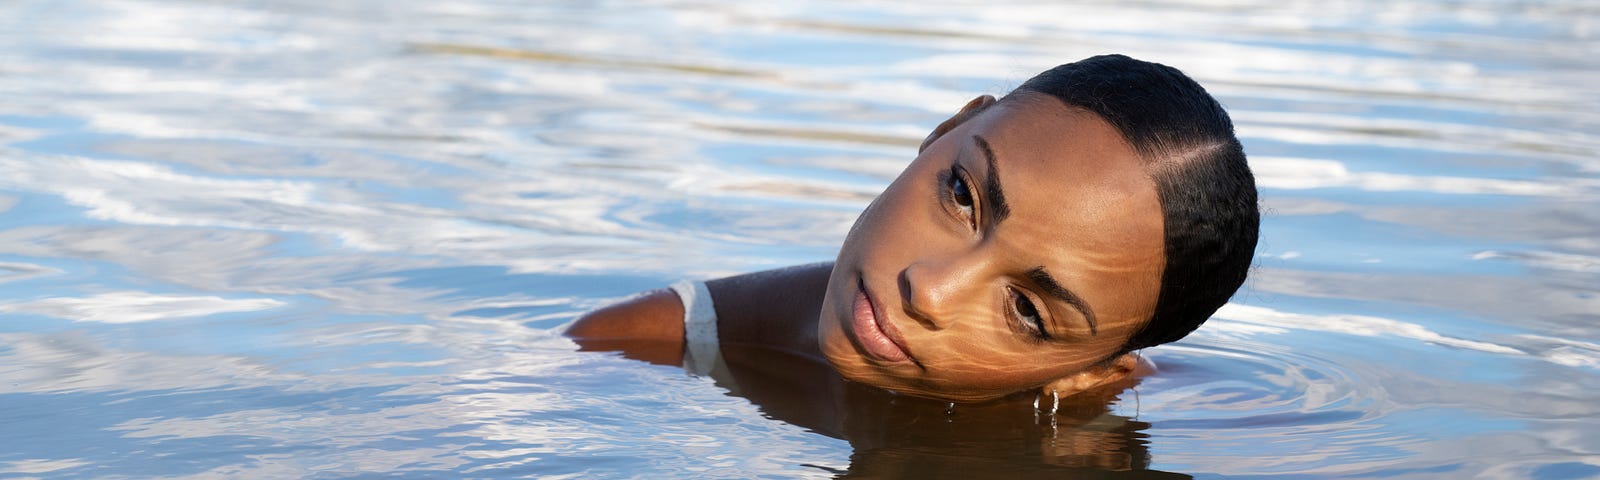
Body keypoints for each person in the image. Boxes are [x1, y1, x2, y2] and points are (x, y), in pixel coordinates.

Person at [566, 54, 1258, 406]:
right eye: (963, 195)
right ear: (946, 130)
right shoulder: (633, 345)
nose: (929, 290)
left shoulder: (1163, 422)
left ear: (1097, 371)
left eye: (1026, 310)